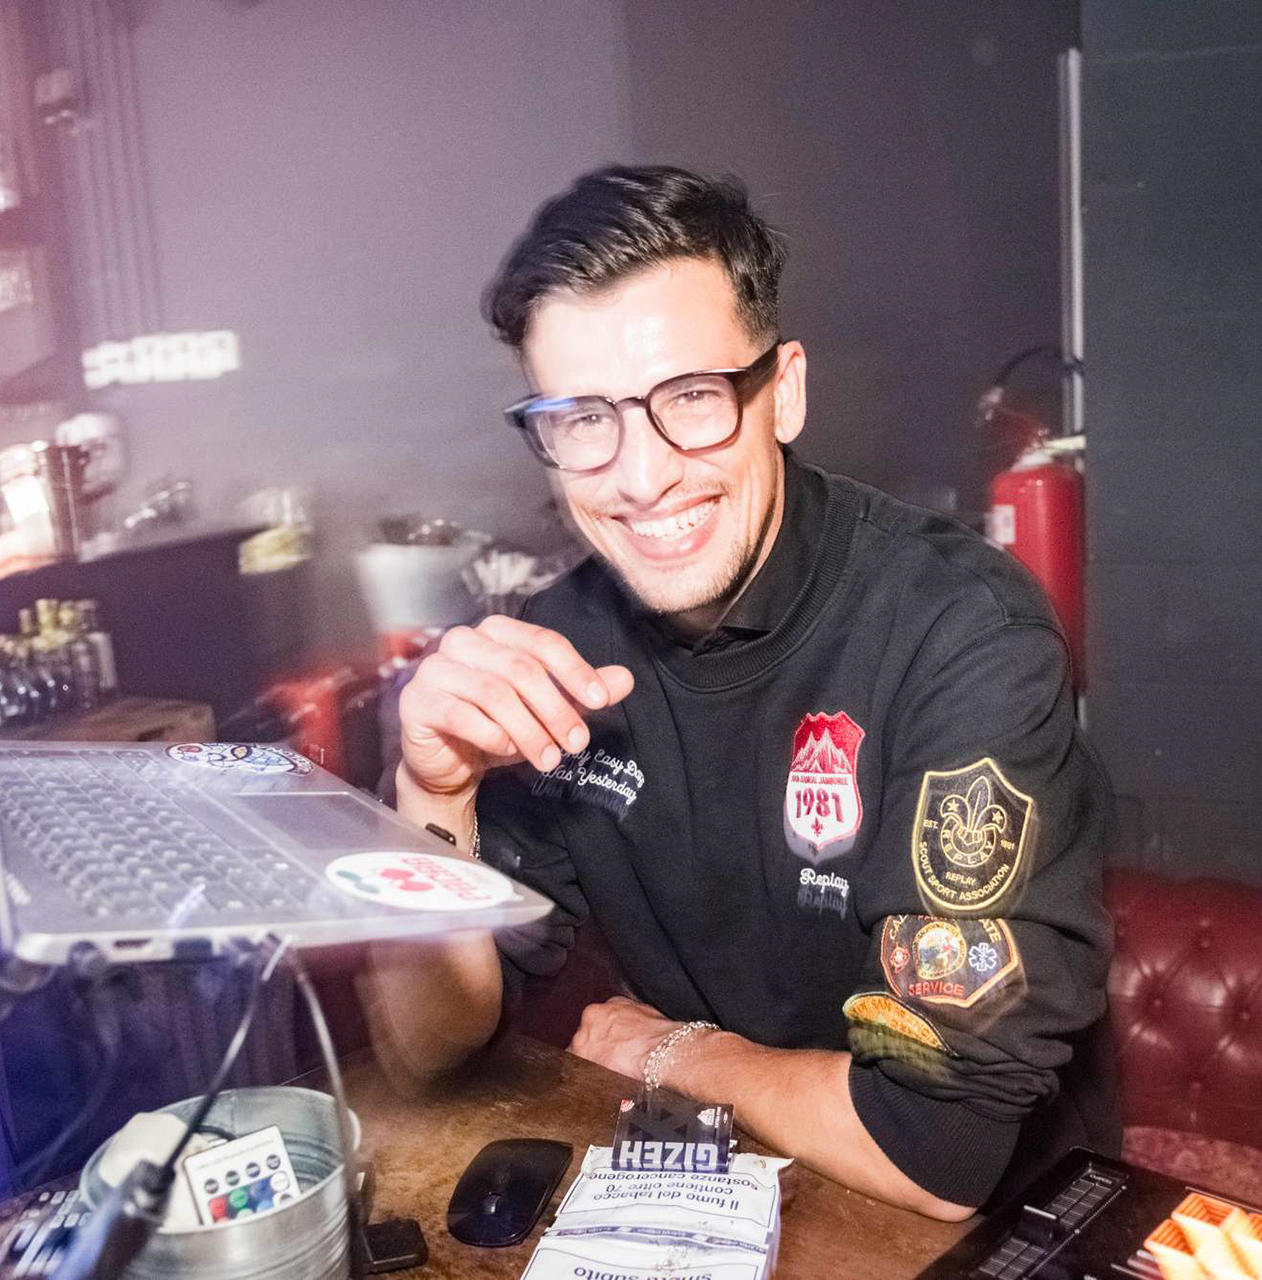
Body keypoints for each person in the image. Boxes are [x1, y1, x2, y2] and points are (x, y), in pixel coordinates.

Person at [364, 165, 1116, 1220]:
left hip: (986, 1232)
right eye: (582, 417)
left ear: (784, 391)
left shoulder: (961, 633)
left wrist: (675, 1052)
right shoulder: (558, 646)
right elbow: (425, 1049)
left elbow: (938, 1152)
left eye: (691, 398)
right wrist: (431, 794)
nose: (641, 477)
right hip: (722, 1185)